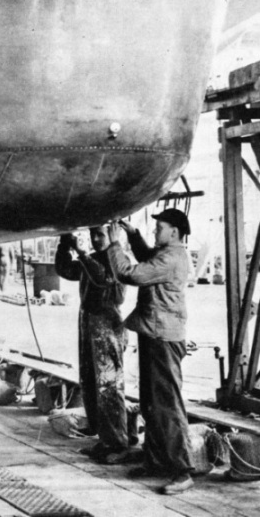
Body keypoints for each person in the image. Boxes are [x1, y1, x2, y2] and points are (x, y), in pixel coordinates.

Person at [107, 210, 194, 495]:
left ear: (174, 232)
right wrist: (133, 235)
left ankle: (182, 470)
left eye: (159, 228)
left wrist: (114, 244)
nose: (155, 231)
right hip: (153, 332)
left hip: (164, 338)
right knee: (150, 402)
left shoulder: (171, 258)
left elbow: (130, 273)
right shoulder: (166, 253)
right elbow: (147, 257)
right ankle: (156, 461)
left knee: (167, 404)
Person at [54, 229, 128, 463]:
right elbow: (66, 270)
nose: (96, 239)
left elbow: (102, 278)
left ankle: (116, 442)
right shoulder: (94, 258)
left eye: (101, 235)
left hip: (106, 323)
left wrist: (80, 251)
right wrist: (63, 246)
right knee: (89, 380)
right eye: (94, 234)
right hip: (88, 320)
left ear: (112, 235)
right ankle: (102, 437)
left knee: (108, 384)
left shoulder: (116, 258)